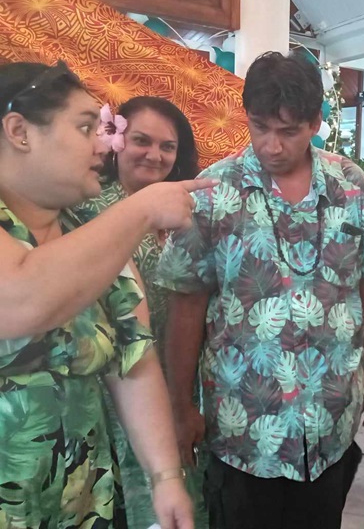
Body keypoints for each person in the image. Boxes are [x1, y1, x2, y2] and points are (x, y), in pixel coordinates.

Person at [157, 51, 364, 529]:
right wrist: (180, 407)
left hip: (329, 420)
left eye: (288, 132)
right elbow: (186, 305)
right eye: (259, 127)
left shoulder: (350, 185)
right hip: (242, 427)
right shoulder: (213, 191)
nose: (271, 146)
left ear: (315, 123)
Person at [0, 60, 214, 528]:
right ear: (19, 131)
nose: (104, 143)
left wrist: (164, 476)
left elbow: (133, 359)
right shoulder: (109, 229)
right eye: (84, 127)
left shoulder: (87, 232)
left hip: (79, 497)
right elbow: (18, 300)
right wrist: (139, 211)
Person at [74, 96, 207, 529]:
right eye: (142, 141)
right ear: (115, 141)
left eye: (167, 146)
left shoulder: (184, 210)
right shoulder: (89, 212)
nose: (155, 155)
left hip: (182, 380)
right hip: (123, 385)